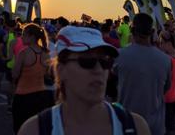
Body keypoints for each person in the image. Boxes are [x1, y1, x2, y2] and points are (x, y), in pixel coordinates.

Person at [18, 25, 150, 135]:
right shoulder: (35, 130)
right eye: (87, 61)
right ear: (60, 70)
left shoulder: (135, 127)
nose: (99, 70)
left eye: (105, 61)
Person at [114, 13, 171, 135]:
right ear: (152, 31)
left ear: (132, 30)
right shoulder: (165, 60)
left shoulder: (119, 56)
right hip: (155, 126)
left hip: (127, 124)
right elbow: (166, 88)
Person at [12, 23, 54, 133]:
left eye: (24, 34)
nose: (22, 37)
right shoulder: (46, 53)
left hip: (23, 96)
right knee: (38, 129)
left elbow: (14, 74)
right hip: (41, 95)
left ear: (32, 37)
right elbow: (48, 74)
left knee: (21, 129)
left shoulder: (24, 53)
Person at [159, 30, 175, 134]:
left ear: (168, 43)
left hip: (166, 97)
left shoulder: (166, 59)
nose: (160, 46)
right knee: (170, 124)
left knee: (165, 127)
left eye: (161, 43)